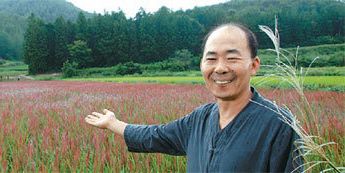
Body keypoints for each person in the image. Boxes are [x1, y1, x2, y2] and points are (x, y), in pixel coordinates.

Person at [84, 23, 302, 172]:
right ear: (202, 65)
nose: (221, 68)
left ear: (253, 65)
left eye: (232, 58)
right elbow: (156, 135)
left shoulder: (279, 125)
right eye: (212, 58)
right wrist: (113, 124)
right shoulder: (200, 119)